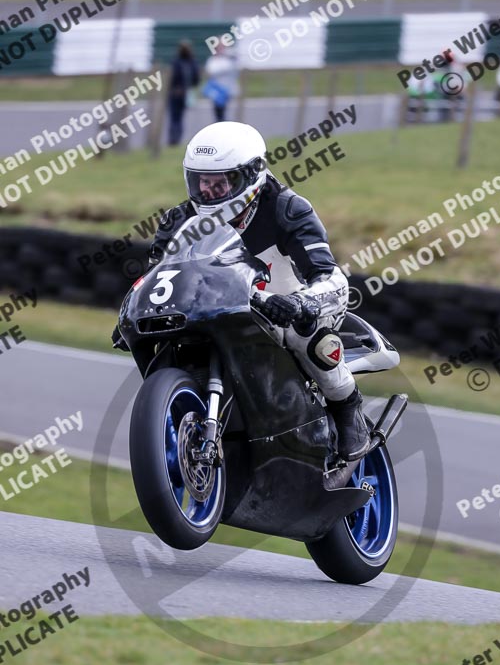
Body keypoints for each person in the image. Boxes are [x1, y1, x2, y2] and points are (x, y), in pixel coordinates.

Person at [114, 122, 371, 462]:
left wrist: (299, 302)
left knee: (309, 334)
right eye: (201, 182)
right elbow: (156, 276)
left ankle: (347, 408)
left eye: (220, 183)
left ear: (252, 174)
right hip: (214, 306)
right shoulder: (178, 220)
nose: (208, 192)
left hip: (281, 305)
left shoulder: (286, 209)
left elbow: (329, 276)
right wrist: (135, 311)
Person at [167, 40, 200, 146]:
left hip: (176, 94)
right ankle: (176, 139)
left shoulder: (176, 62)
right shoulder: (192, 62)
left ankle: (174, 139)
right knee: (179, 118)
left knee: (175, 118)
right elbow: (196, 79)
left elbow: (171, 78)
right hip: (185, 93)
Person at [202, 44, 239, 123]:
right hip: (217, 90)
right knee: (218, 111)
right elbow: (211, 71)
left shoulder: (228, 60)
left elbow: (234, 70)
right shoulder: (213, 60)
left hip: (227, 90)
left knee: (227, 112)